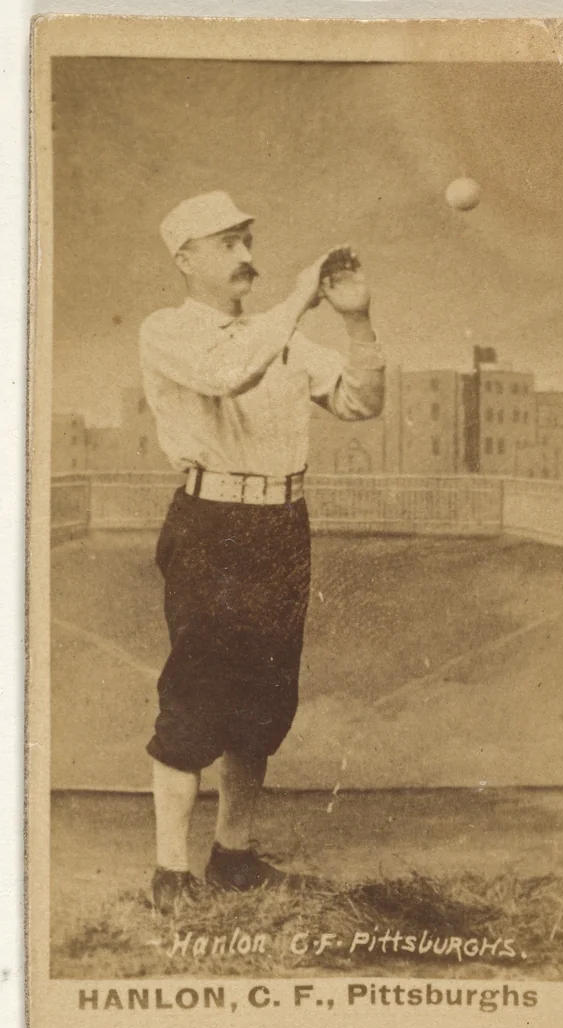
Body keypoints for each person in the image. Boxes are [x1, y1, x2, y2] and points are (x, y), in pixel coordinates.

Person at [139, 190, 385, 914]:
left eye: (248, 239)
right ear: (185, 260)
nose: (248, 256)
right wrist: (301, 298)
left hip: (281, 525)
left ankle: (233, 858)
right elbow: (229, 371)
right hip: (211, 523)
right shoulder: (167, 330)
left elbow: (360, 402)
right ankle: (169, 874)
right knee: (194, 698)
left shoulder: (281, 336)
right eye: (228, 244)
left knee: (265, 701)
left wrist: (357, 320)